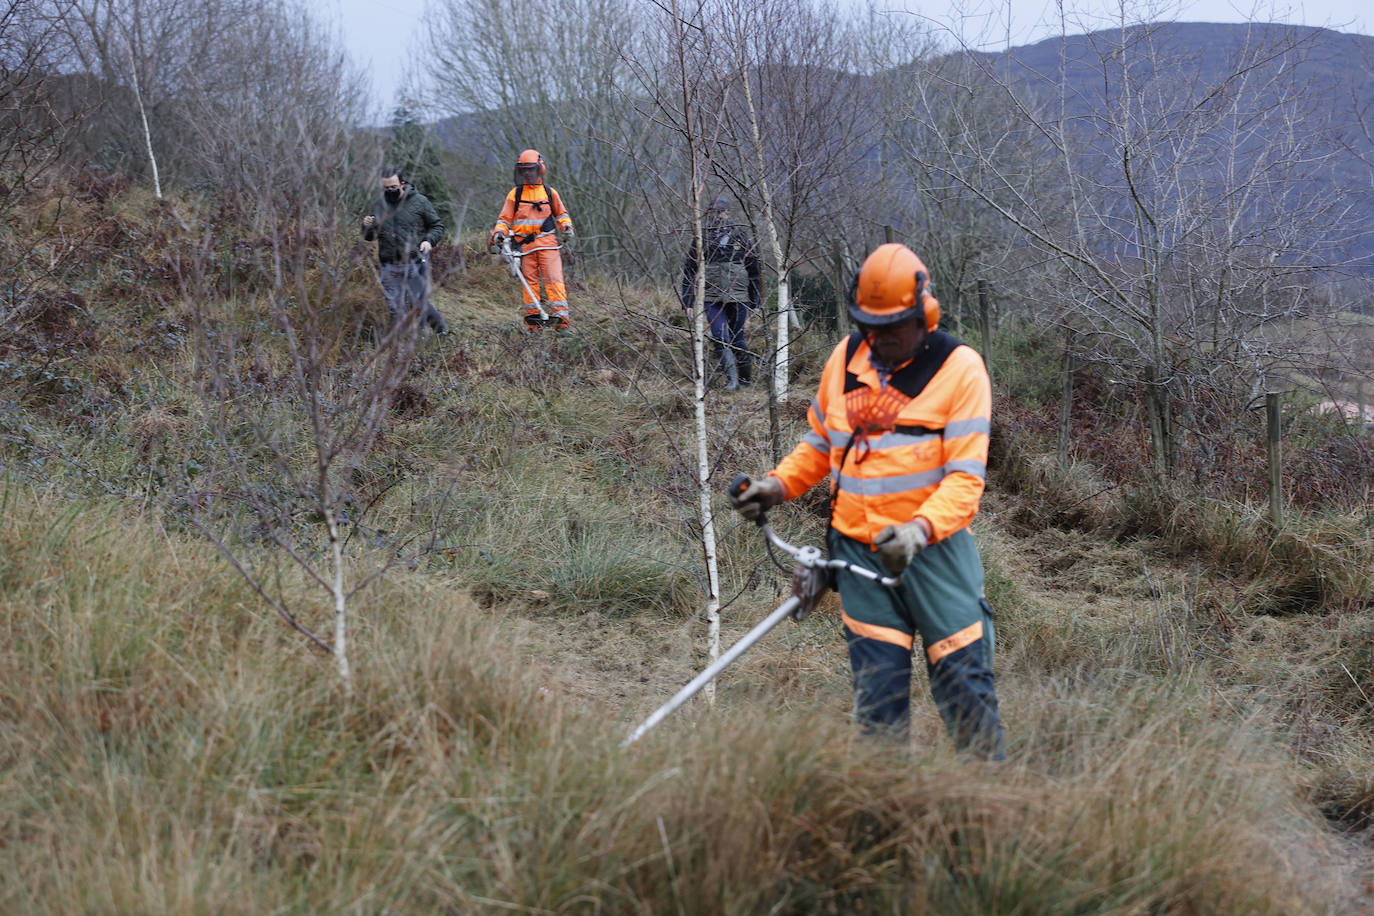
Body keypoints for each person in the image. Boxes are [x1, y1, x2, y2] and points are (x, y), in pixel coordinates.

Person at [728, 242, 1004, 760]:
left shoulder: (960, 370)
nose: (878, 342)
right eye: (869, 327)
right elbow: (819, 444)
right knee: (877, 707)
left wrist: (918, 532)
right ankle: (883, 813)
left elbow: (966, 480)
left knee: (966, 690)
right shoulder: (846, 357)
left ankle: (989, 811)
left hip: (933, 554)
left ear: (925, 317)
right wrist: (777, 486)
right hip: (857, 555)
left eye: (892, 331)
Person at [488, 149, 575, 331]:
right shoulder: (515, 194)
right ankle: (535, 327)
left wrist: (567, 228)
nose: (527, 173)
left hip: (548, 245)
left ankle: (562, 325)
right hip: (524, 248)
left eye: (530, 169)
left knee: (555, 282)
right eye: (523, 170)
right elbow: (504, 219)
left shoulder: (550, 193)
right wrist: (499, 233)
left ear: (539, 169)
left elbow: (562, 215)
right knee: (529, 286)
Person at [679, 196, 761, 389]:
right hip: (712, 296)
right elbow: (690, 270)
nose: (715, 216)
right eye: (712, 213)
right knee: (719, 336)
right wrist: (688, 302)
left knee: (737, 338)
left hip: (739, 296)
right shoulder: (701, 237)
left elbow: (754, 270)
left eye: (719, 212)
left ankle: (745, 381)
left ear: (727, 213)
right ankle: (732, 381)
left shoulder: (740, 236)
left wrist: (755, 301)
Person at [361, 166, 448, 335]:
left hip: (415, 261)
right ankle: (398, 345)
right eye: (386, 188)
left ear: (402, 184)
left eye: (393, 187)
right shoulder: (379, 205)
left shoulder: (420, 202)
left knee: (417, 302)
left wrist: (429, 241)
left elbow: (437, 226)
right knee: (394, 306)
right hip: (389, 264)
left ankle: (438, 330)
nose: (390, 191)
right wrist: (367, 227)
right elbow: (370, 236)